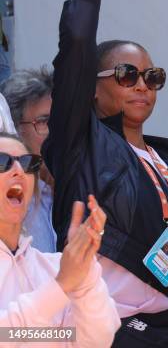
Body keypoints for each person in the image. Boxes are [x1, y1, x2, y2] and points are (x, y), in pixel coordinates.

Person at [43, 0, 168, 346]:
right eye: (127, 74)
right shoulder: (83, 146)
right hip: (106, 332)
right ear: (92, 90)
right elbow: (77, 41)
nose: (142, 86)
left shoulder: (165, 162)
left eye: (152, 78)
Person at [0, 132, 120, 347]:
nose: (19, 170)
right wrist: (61, 286)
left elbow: (94, 341)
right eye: (2, 162)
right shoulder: (62, 276)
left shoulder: (55, 266)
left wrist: (84, 268)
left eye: (28, 163)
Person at [1, 67, 56, 252]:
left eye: (59, 121)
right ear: (15, 130)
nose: (56, 132)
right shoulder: (11, 199)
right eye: (43, 122)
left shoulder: (73, 188)